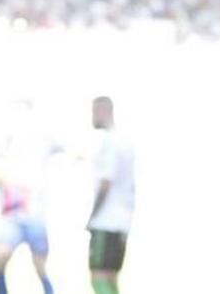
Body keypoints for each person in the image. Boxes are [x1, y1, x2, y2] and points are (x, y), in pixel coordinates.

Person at [0, 98, 59, 294]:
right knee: (1, 257)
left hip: (34, 213)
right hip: (11, 214)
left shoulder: (40, 142)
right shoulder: (3, 144)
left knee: (40, 265)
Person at [88, 96, 134, 294]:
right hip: (122, 221)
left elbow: (105, 183)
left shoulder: (111, 143)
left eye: (93, 111)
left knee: (98, 277)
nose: (91, 117)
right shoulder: (124, 142)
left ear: (102, 111)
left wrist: (93, 216)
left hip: (106, 221)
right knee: (111, 278)